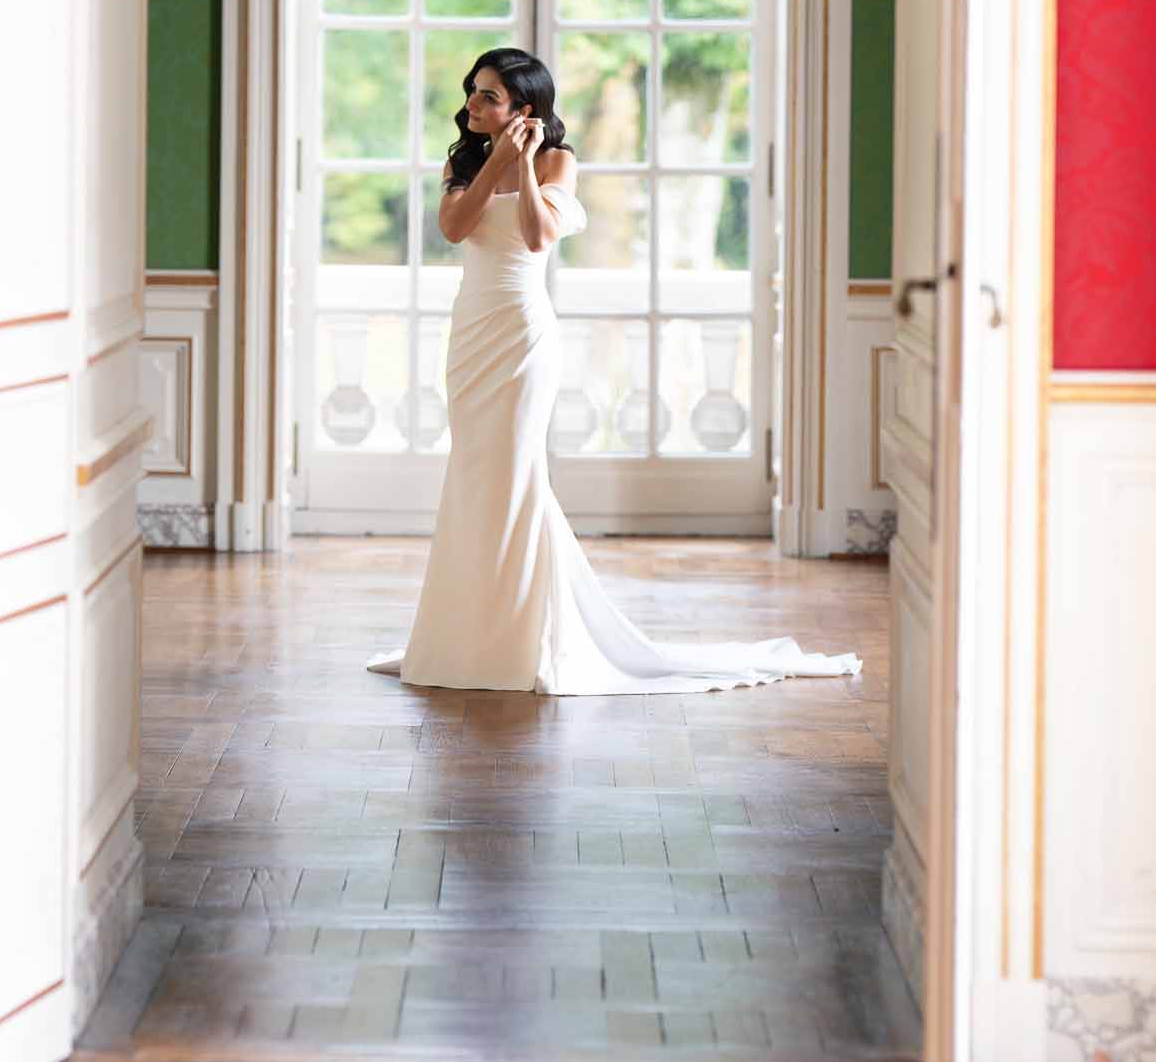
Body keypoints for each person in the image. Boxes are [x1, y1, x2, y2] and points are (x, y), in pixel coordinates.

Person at [367, 48, 861, 695]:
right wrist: (494, 161)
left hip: (521, 334)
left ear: (525, 108)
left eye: (488, 96)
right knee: (473, 473)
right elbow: (456, 228)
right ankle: (465, 634)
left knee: (515, 474)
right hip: (471, 335)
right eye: (473, 93)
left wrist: (520, 160)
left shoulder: (556, 161)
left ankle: (521, 639)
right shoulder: (463, 160)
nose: (472, 106)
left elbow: (540, 236)